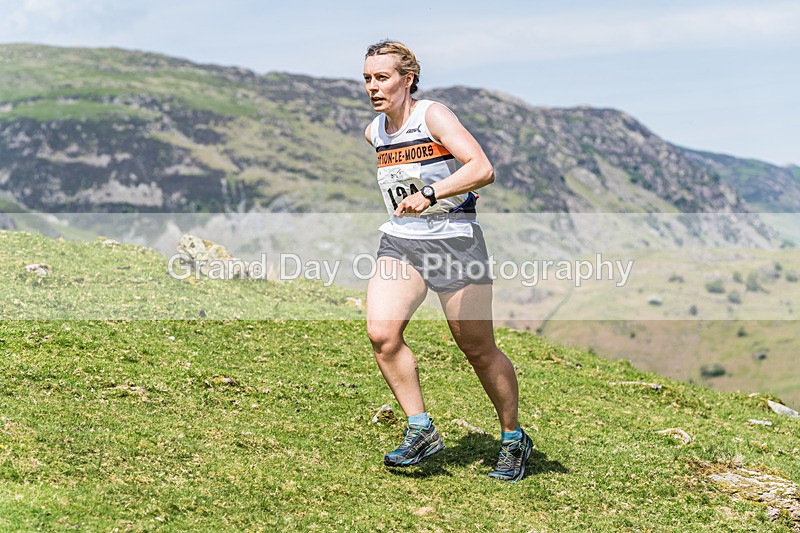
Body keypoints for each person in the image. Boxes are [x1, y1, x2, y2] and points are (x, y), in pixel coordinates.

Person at [362, 40, 531, 482]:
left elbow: (482, 168)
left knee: (476, 348)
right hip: (402, 242)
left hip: (455, 243)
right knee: (382, 335)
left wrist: (433, 193)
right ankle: (421, 429)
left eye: (382, 78)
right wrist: (427, 195)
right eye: (367, 79)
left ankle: (513, 438)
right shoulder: (375, 132)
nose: (373, 87)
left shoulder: (432, 116)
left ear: (408, 79)